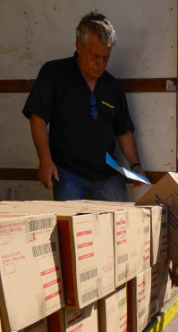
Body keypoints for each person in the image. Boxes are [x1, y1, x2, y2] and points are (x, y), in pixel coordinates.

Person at [22, 12, 144, 201]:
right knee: (71, 228)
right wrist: (45, 160)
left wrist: (136, 165)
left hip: (107, 174)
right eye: (96, 56)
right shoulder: (54, 73)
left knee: (120, 225)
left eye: (106, 57)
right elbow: (37, 118)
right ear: (79, 47)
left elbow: (124, 131)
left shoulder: (113, 87)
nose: (101, 64)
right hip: (67, 172)